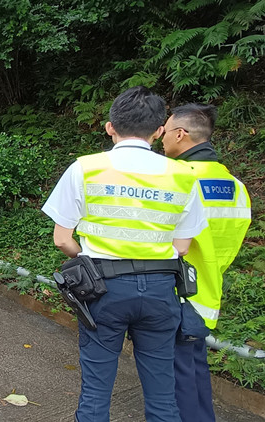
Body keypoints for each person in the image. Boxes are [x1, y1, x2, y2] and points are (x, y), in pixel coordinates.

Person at [41, 86, 207, 422]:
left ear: (110, 127)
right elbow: (183, 246)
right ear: (159, 130)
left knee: (96, 393)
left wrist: (86, 258)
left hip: (103, 289)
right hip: (162, 290)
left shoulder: (85, 168)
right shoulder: (184, 176)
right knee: (163, 395)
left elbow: (62, 239)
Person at [161, 104, 251, 422]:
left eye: (166, 130)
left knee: (176, 382)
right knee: (194, 372)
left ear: (181, 134)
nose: (161, 137)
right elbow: (228, 242)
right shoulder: (236, 187)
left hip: (173, 292)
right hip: (208, 291)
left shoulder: (177, 181)